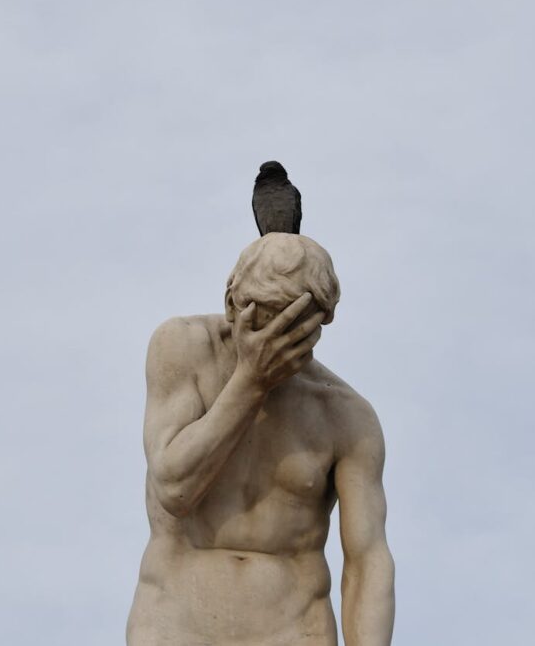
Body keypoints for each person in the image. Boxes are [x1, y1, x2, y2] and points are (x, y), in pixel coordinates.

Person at [127, 233, 395, 646]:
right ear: (231, 304)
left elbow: (367, 561)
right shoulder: (183, 348)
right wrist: (251, 381)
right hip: (176, 625)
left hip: (295, 631)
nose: (272, 343)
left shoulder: (347, 417)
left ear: (320, 323)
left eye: (292, 329)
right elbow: (174, 488)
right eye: (262, 322)